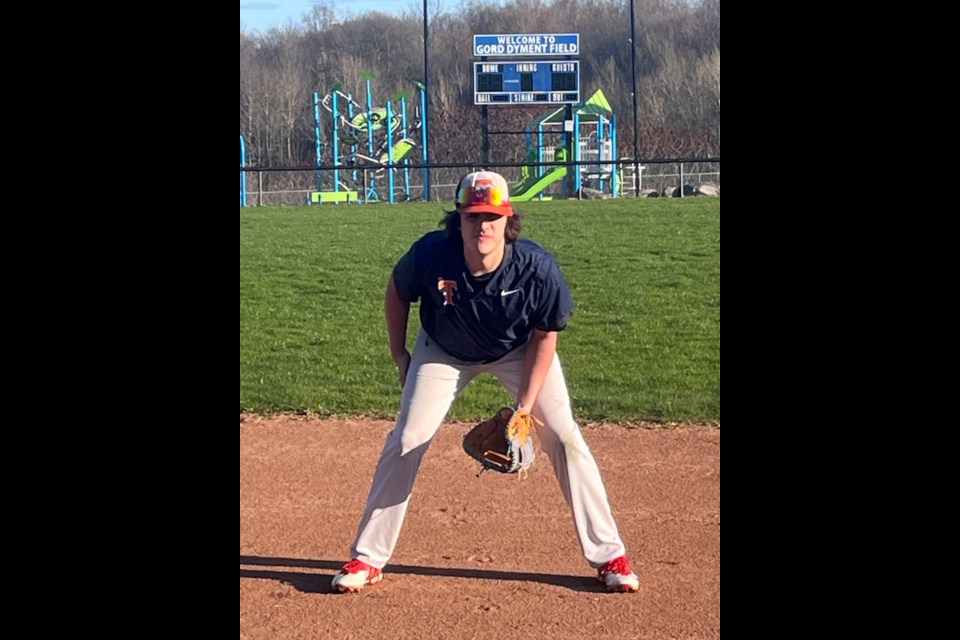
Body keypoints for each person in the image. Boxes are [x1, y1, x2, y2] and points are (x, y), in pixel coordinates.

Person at [331, 170, 639, 593]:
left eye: (491, 216)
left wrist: (526, 409)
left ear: (507, 220)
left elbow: (545, 337)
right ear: (457, 219)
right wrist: (399, 354)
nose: (482, 226)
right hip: (443, 349)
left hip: (518, 352)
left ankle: (609, 556)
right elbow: (397, 291)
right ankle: (367, 558)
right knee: (407, 439)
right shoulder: (430, 255)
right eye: (473, 216)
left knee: (565, 439)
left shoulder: (536, 269)